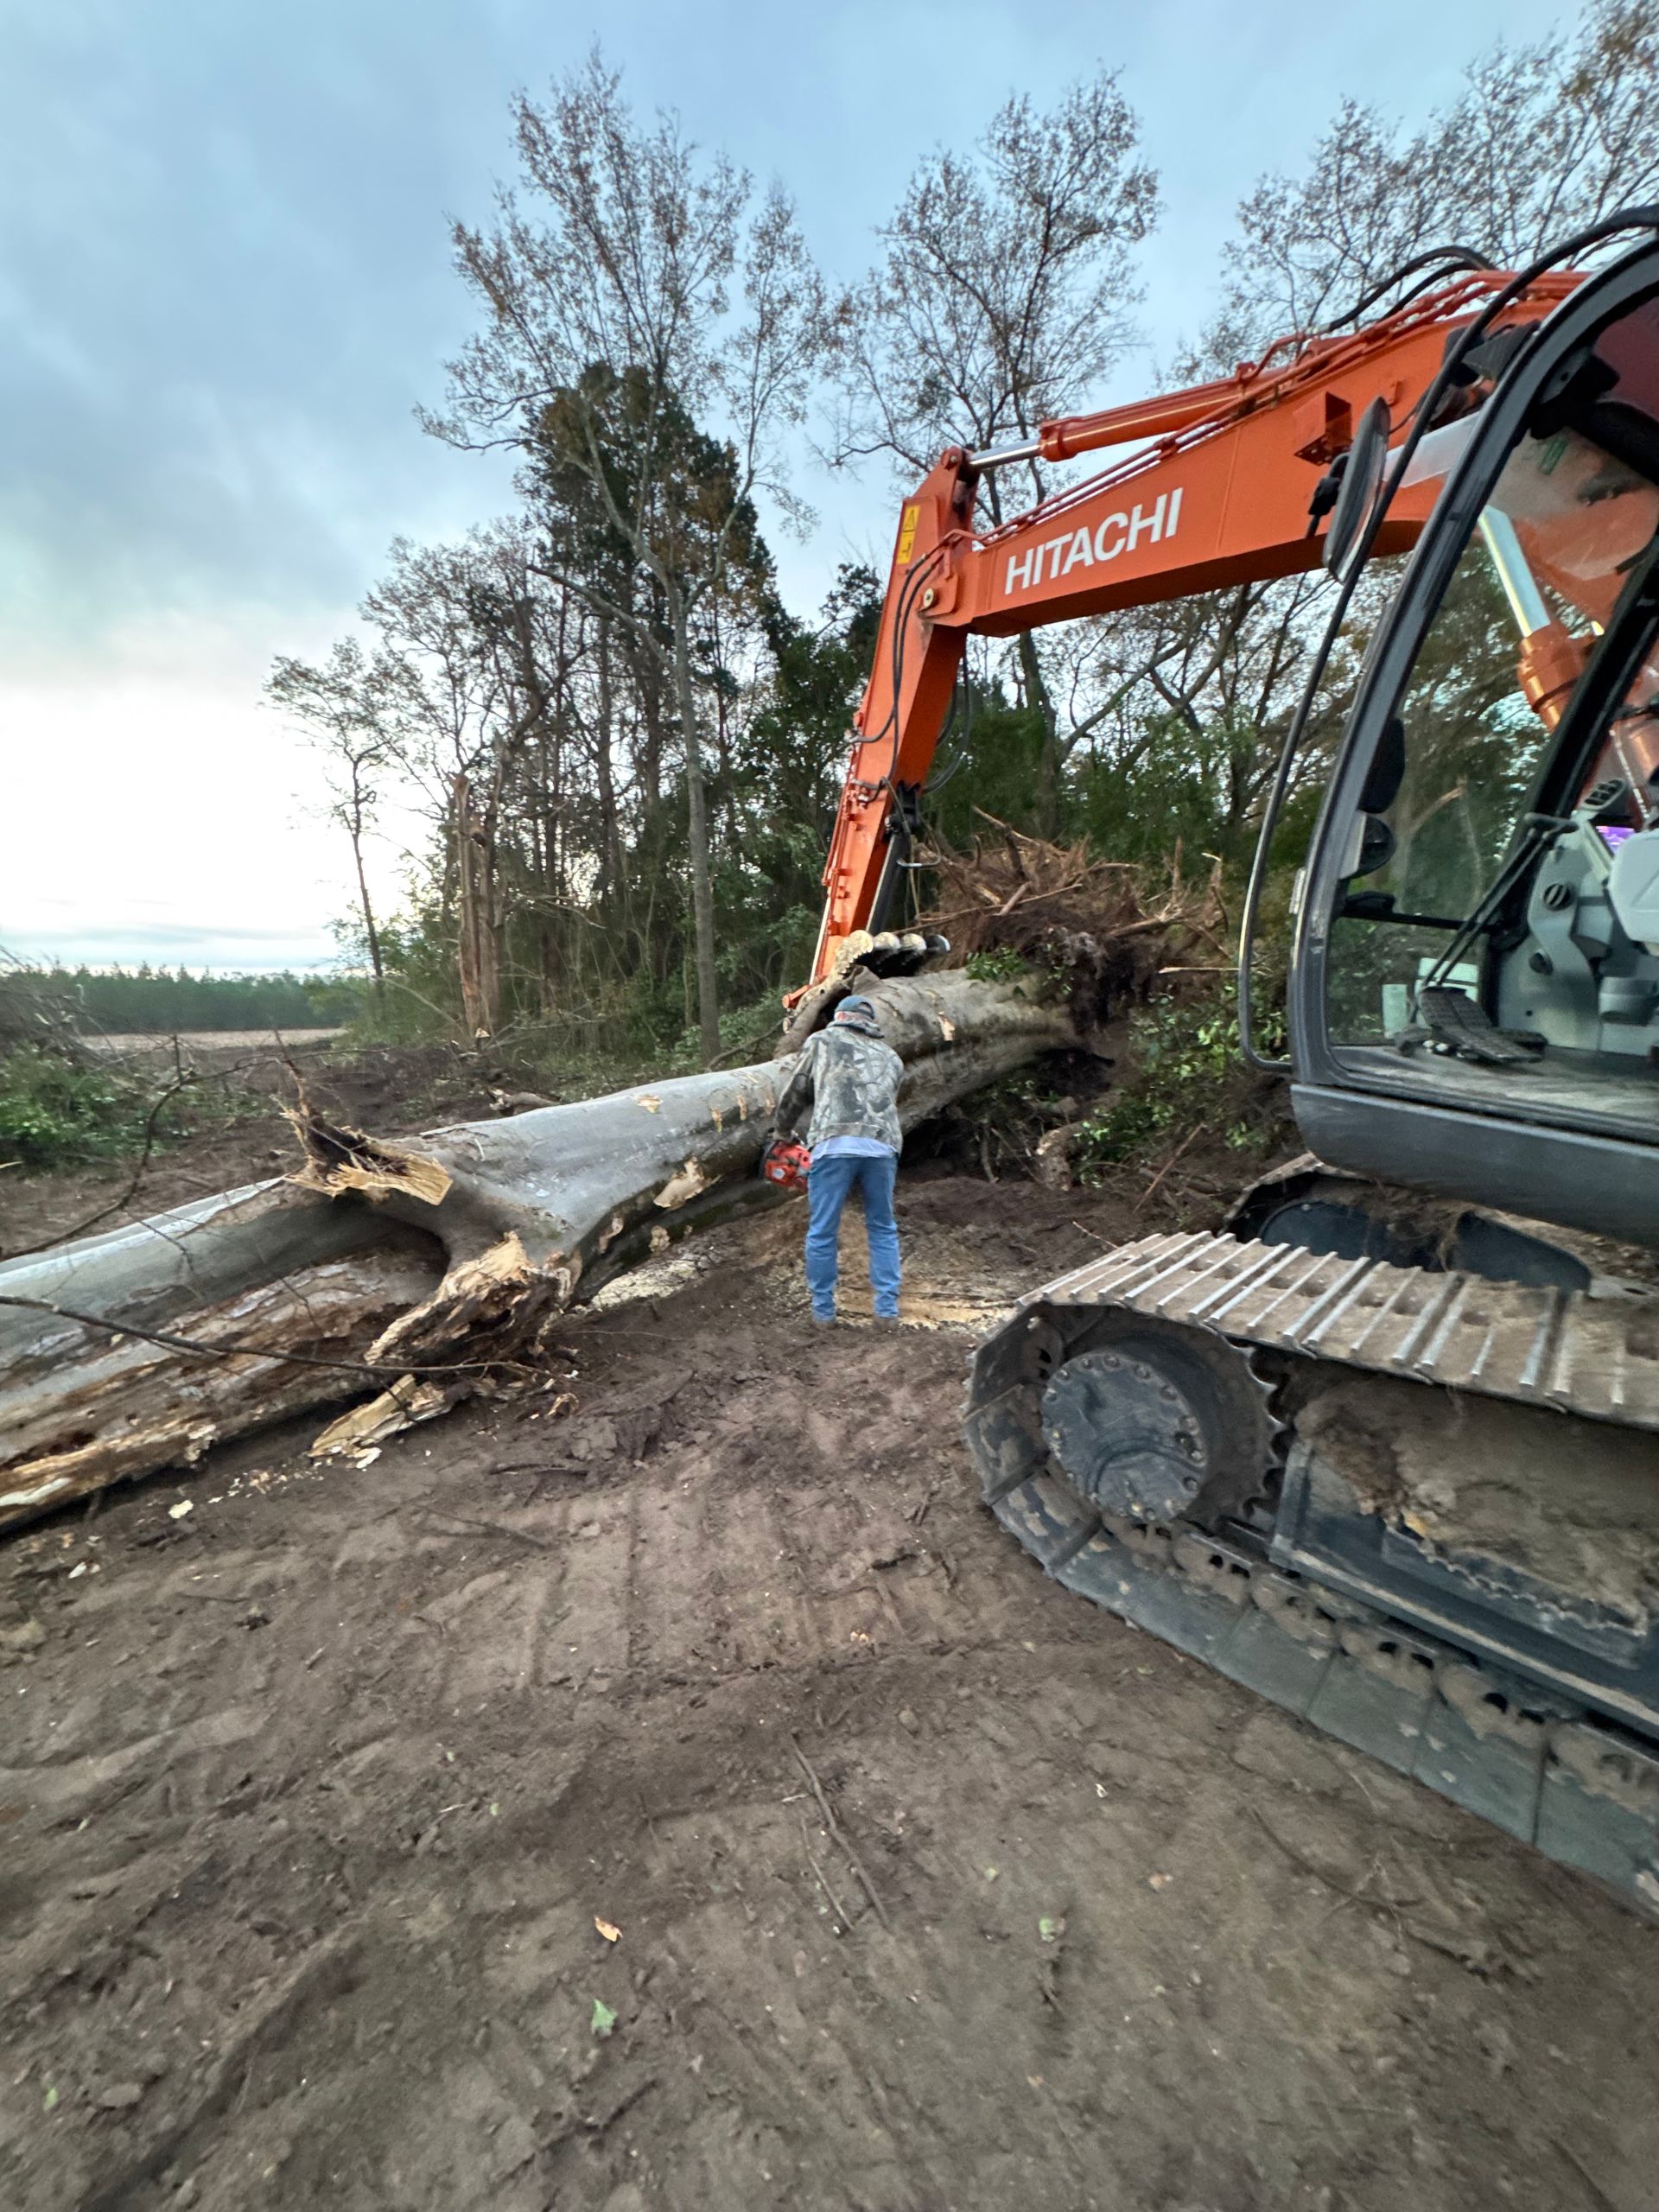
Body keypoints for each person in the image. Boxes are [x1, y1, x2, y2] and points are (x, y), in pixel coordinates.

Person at [774, 995, 904, 1325]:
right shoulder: (891, 1057)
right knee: (882, 1227)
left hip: (833, 1144)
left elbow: (797, 1089)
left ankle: (823, 1312)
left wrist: (782, 1132)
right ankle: (887, 1312)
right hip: (881, 1147)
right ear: (870, 1021)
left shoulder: (822, 1041)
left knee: (822, 1230)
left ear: (839, 1016)